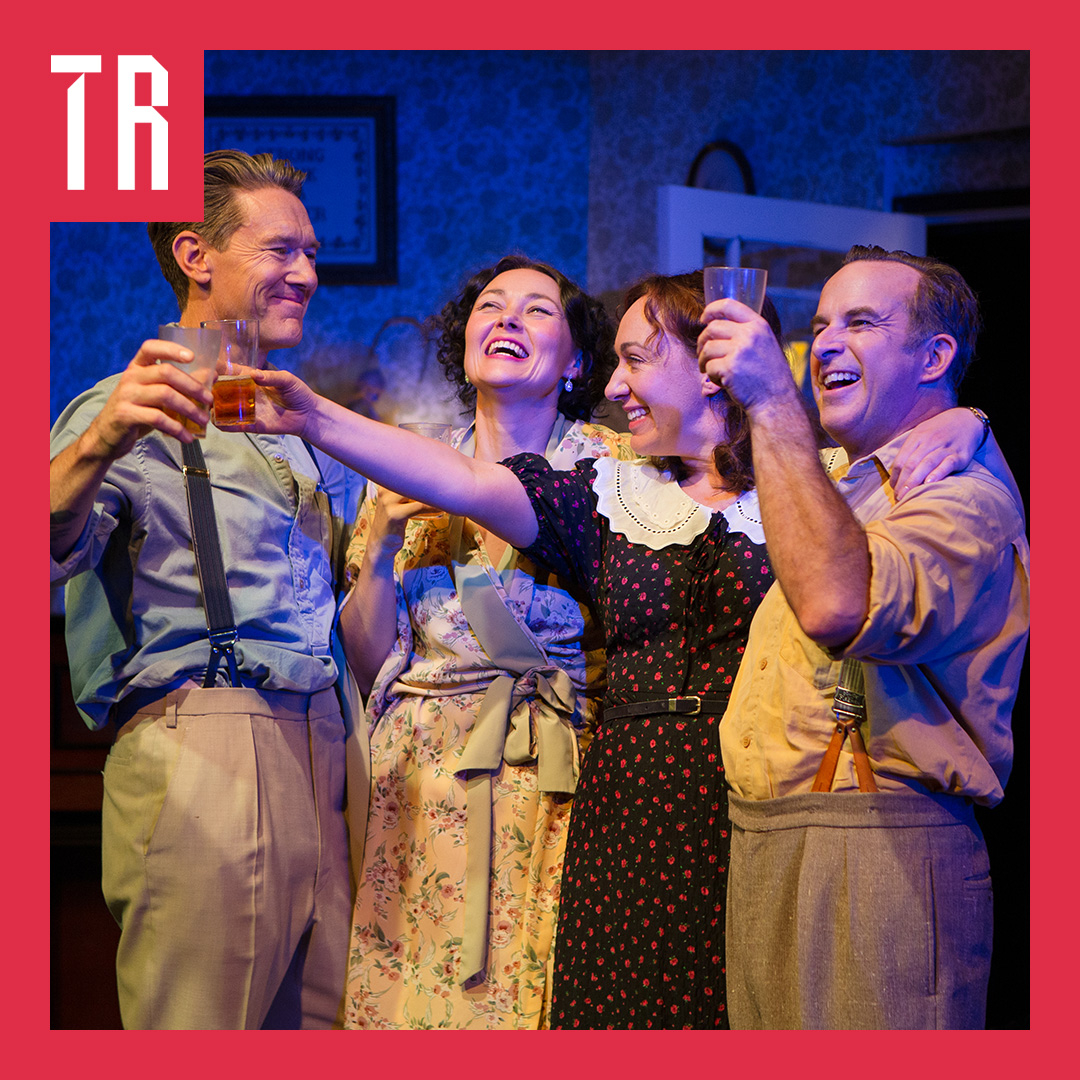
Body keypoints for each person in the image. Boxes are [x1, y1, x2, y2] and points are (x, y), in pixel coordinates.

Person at [230, 269, 987, 1027]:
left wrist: (967, 420)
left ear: (715, 364)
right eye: (616, 360)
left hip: (755, 805)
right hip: (629, 799)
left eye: (638, 359)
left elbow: (897, 479)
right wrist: (314, 418)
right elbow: (462, 476)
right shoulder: (609, 490)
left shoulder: (811, 481)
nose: (617, 385)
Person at [49, 150, 366, 1029]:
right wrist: (99, 442)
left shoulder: (295, 420)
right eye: (280, 251)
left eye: (310, 253)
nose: (306, 273)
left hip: (326, 750)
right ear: (196, 255)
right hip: (210, 746)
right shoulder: (121, 410)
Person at [696, 245, 1029, 1029]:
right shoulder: (847, 482)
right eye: (819, 325)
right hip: (774, 842)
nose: (827, 344)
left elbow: (841, 606)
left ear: (934, 355)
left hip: (880, 850)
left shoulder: (961, 499)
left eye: (863, 322)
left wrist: (775, 399)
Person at [337, 255, 635, 1029]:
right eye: (491, 306)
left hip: (561, 766)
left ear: (575, 363)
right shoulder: (408, 460)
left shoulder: (617, 469)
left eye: (537, 310)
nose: (506, 318)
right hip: (423, 776)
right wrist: (379, 544)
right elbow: (372, 663)